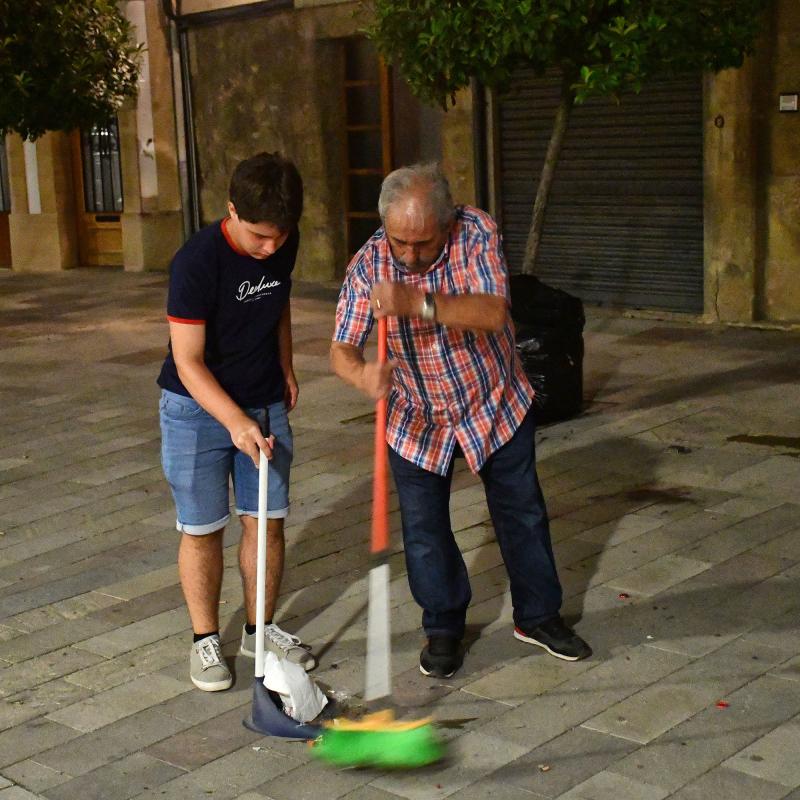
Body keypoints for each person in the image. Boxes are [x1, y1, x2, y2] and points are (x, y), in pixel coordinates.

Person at [330, 162, 591, 679]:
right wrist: (361, 376)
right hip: (416, 416)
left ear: (448, 224)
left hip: (491, 400)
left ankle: (538, 616)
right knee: (425, 532)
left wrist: (416, 301)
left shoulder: (476, 232)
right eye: (399, 243)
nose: (409, 256)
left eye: (423, 244)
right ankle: (443, 625)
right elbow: (340, 349)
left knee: (523, 513)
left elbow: (494, 312)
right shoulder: (370, 263)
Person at [157, 151, 315, 692]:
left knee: (266, 520)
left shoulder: (283, 241)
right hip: (195, 409)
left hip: (264, 400)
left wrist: (286, 365)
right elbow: (187, 361)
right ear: (231, 211)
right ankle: (205, 640)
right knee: (202, 527)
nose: (271, 248)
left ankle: (259, 629)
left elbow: (279, 304)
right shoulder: (197, 261)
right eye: (258, 237)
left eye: (280, 236)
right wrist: (234, 422)